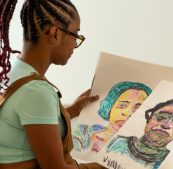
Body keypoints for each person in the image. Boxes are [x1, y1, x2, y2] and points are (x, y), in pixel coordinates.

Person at [0, 0, 106, 169]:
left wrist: (69, 111)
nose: (75, 45)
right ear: (55, 33)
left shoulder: (12, 70)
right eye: (75, 35)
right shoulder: (36, 91)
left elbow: (26, 120)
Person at [106, 99, 173, 169]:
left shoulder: (170, 162)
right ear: (149, 118)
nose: (167, 125)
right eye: (162, 116)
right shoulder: (117, 142)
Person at [72, 81, 152, 152]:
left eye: (137, 108)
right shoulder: (83, 134)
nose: (128, 113)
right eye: (122, 105)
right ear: (109, 107)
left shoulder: (144, 150)